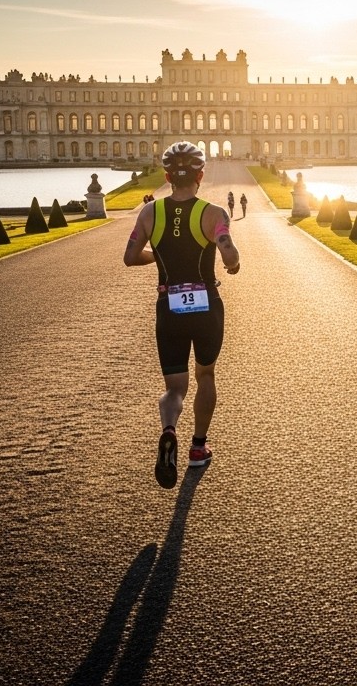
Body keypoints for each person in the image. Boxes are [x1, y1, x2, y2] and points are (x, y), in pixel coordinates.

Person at [124, 141, 241, 489]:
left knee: (174, 387)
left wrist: (159, 257)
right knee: (205, 375)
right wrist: (232, 264)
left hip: (168, 306)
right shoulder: (213, 213)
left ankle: (169, 430)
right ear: (200, 175)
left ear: (167, 177)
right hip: (206, 304)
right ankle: (198, 448)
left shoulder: (150, 213)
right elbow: (229, 253)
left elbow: (130, 257)